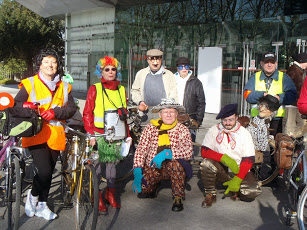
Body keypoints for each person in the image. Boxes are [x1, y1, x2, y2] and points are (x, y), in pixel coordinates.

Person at [14, 48, 77, 220]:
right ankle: (33, 196)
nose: (51, 65)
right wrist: (31, 110)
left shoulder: (64, 86)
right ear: (40, 65)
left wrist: (55, 113)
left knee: (48, 172)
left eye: (54, 61)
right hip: (35, 133)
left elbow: (71, 109)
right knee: (44, 171)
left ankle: (42, 204)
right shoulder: (30, 83)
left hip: (56, 134)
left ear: (58, 65)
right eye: (46, 61)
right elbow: (16, 106)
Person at [83, 56, 130, 212]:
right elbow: (87, 113)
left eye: (113, 69)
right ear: (101, 72)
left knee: (112, 165)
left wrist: (127, 135)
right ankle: (96, 197)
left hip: (116, 133)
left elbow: (124, 114)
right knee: (97, 166)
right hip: (98, 135)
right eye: (107, 69)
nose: (110, 72)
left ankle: (110, 194)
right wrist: (91, 134)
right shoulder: (94, 89)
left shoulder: (122, 89)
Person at [132, 98, 193, 212]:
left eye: (172, 111)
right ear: (160, 114)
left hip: (172, 166)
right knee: (143, 189)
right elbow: (141, 149)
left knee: (176, 165)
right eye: (165, 112)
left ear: (176, 113)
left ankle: (178, 197)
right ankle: (154, 186)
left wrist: (168, 153)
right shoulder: (151, 128)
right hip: (153, 166)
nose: (169, 115)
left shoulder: (182, 129)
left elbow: (188, 151)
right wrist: (137, 170)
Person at [200, 104, 260, 208]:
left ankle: (236, 189)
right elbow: (204, 151)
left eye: (231, 120)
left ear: (237, 118)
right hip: (221, 168)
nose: (227, 123)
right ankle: (210, 194)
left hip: (239, 169)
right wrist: (224, 158)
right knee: (206, 163)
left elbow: (249, 160)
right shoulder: (214, 130)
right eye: (225, 120)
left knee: (251, 193)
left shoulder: (244, 133)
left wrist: (238, 179)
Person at [244, 52, 297, 136]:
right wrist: (262, 95)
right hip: (258, 119)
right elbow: (247, 95)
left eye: (272, 62)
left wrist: (280, 98)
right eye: (266, 62)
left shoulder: (284, 78)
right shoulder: (255, 77)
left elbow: (293, 95)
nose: (269, 65)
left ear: (276, 64)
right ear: (262, 64)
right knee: (258, 147)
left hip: (277, 121)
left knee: (275, 146)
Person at [131, 49, 178, 113]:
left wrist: (168, 105)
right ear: (148, 60)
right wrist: (140, 102)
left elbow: (174, 92)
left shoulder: (169, 75)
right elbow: (135, 90)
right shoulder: (141, 74)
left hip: (164, 113)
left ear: (161, 60)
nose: (155, 62)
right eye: (152, 59)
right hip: (145, 112)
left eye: (157, 59)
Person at [246, 95, 280, 178]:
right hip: (250, 144)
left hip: (261, 148)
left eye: (266, 107)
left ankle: (263, 175)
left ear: (271, 111)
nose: (262, 108)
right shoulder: (256, 119)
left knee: (265, 158)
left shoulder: (267, 121)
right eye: (261, 105)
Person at [174, 57, 206, 143]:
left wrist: (198, 121)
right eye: (181, 66)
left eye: (186, 66)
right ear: (177, 68)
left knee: (189, 146)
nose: (184, 69)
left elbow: (201, 102)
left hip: (189, 119)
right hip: (173, 118)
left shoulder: (196, 82)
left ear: (189, 67)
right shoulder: (172, 80)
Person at [284, 53, 307, 135]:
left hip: (295, 103)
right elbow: (295, 88)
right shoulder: (295, 71)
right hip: (293, 103)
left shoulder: (295, 70)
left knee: (297, 127)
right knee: (290, 128)